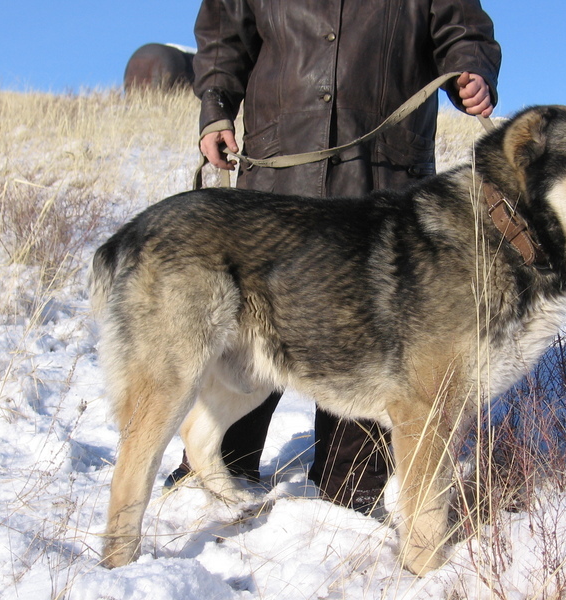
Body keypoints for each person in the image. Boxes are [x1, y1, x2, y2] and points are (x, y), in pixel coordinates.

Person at [167, 0, 501, 514]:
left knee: (373, 331)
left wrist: (472, 67)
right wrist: (215, 109)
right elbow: (224, 29)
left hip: (383, 175)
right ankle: (217, 460)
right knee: (255, 322)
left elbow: (463, 26)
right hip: (280, 174)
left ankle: (355, 479)